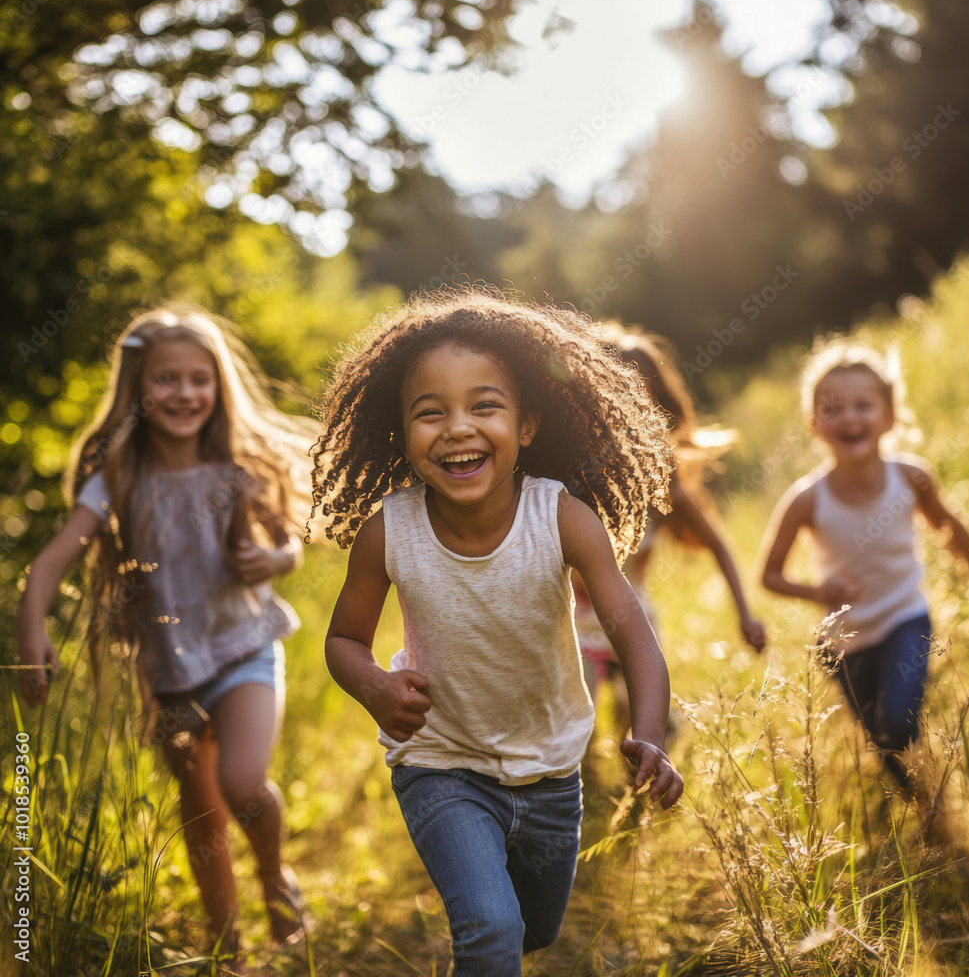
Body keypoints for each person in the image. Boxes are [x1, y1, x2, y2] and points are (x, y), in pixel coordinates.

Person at [313, 289, 684, 977]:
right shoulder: (387, 533)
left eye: (484, 406)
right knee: (489, 928)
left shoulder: (563, 520)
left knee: (531, 932)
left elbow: (633, 637)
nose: (458, 428)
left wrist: (651, 735)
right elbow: (343, 641)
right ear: (400, 432)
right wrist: (373, 686)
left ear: (528, 424)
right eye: (431, 412)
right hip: (440, 764)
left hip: (549, 770)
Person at [16, 305, 314, 965]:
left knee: (241, 782)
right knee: (202, 810)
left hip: (244, 647)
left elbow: (287, 543)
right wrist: (31, 630)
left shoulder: (236, 469)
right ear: (137, 389)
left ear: (218, 386)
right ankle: (226, 942)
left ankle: (273, 878)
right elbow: (54, 557)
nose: (184, 394)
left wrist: (277, 560)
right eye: (166, 380)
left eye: (198, 379)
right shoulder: (117, 479)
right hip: (168, 668)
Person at [760, 339, 969, 789]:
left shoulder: (911, 476)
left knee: (897, 723)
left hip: (906, 617)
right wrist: (817, 593)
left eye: (863, 405)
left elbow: (951, 531)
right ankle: (927, 807)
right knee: (882, 740)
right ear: (814, 424)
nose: (849, 417)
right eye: (833, 408)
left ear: (889, 415)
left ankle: (936, 787)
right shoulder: (806, 500)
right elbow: (769, 575)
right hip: (843, 643)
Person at [574, 327, 765, 733]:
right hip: (573, 636)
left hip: (634, 630)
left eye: (638, 402)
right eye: (610, 401)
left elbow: (719, 545)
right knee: (577, 733)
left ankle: (638, 790)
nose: (621, 417)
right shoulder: (565, 483)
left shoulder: (664, 486)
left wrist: (745, 615)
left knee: (658, 732)